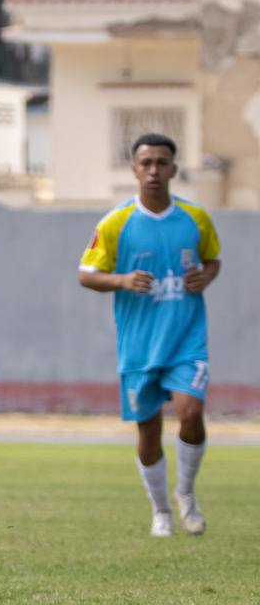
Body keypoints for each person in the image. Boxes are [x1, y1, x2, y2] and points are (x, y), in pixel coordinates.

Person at [78, 133, 220, 538]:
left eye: (162, 162)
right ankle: (161, 510)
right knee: (149, 430)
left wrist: (204, 276)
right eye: (147, 163)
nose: (154, 170)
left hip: (187, 340)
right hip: (140, 346)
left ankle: (186, 495)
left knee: (191, 412)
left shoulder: (196, 218)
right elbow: (86, 275)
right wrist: (121, 279)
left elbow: (213, 260)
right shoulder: (116, 222)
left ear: (174, 169)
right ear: (135, 169)